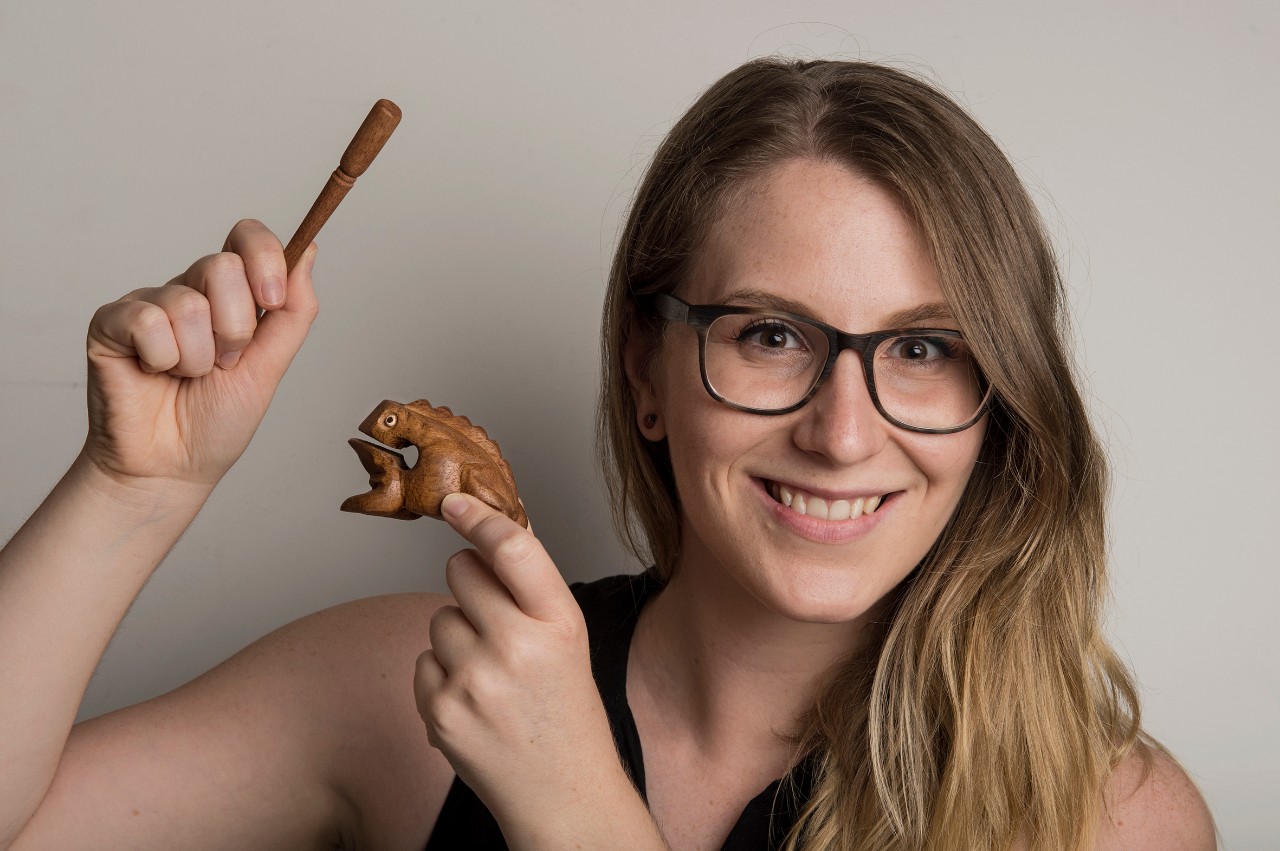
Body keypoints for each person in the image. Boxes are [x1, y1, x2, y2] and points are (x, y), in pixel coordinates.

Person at [0, 58, 1215, 851]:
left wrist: (574, 806)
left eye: (922, 349)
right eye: (769, 334)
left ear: (1000, 397)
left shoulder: (1106, 815)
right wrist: (132, 486)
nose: (842, 432)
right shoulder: (406, 686)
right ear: (643, 372)